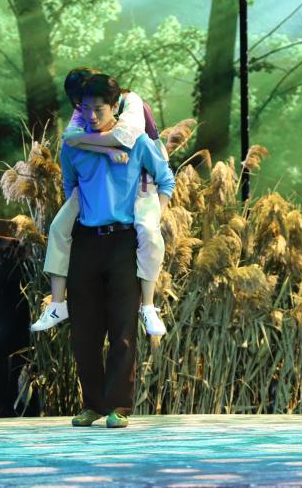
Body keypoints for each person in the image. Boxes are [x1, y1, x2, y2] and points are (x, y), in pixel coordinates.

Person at [58, 73, 175, 428]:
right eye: (85, 108)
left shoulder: (136, 141)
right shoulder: (72, 146)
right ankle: (91, 405)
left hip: (124, 241)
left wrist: (156, 215)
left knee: (122, 328)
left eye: (99, 109)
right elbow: (69, 187)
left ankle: (118, 407)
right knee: (84, 330)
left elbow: (166, 178)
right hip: (86, 241)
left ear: (114, 107)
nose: (92, 115)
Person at [30, 67, 169, 336]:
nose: (86, 114)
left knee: (149, 232)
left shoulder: (131, 103)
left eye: (90, 106)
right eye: (79, 105)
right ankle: (57, 304)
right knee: (58, 227)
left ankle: (149, 306)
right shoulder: (84, 110)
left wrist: (93, 145)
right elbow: (70, 140)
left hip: (145, 173)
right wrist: (101, 149)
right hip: (93, 194)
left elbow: (122, 138)